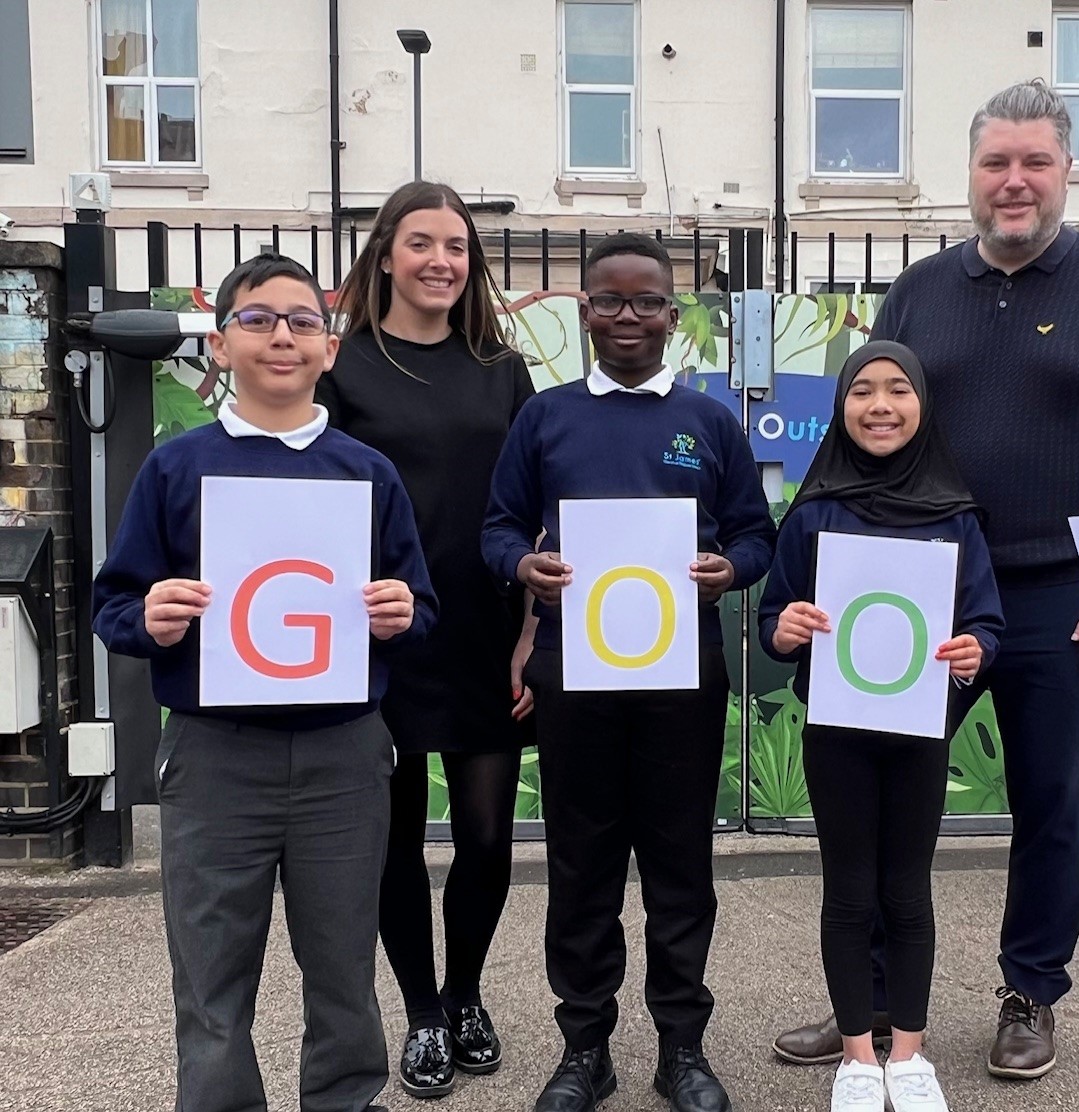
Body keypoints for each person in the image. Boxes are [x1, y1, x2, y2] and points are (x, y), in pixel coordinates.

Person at [774, 78, 1079, 1079]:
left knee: (1050, 796)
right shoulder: (918, 290)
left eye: (1034, 162)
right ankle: (864, 1000)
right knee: (876, 798)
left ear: (1064, 170)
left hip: (1062, 595)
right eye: (994, 162)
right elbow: (876, 427)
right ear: (970, 174)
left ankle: (1029, 989)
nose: (1013, 182)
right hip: (924, 588)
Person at [92, 253, 437, 1112]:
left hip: (345, 756)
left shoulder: (366, 473)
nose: (282, 336)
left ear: (328, 350)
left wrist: (401, 611)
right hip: (215, 758)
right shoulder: (177, 470)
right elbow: (115, 604)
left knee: (344, 975)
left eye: (303, 321)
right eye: (258, 319)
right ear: (222, 346)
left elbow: (419, 606)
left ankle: (343, 1101)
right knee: (210, 980)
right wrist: (153, 615)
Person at [481, 232, 777, 1112]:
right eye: (608, 300)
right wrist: (520, 568)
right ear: (584, 311)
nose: (627, 316)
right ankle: (586, 1049)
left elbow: (756, 532)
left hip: (684, 673)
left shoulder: (708, 422)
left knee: (681, 864)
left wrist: (735, 567)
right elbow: (498, 526)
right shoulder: (545, 417)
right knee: (582, 862)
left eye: (646, 301)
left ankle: (681, 1048)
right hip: (576, 673)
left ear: (673, 316)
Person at [317, 181, 536, 1099]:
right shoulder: (344, 368)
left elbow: (534, 508)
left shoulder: (503, 367)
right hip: (388, 631)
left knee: (487, 835)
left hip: (487, 626)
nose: (441, 260)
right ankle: (421, 1014)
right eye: (421, 243)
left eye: (456, 245)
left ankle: (468, 991)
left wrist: (534, 628)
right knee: (394, 839)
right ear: (385, 255)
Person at [759, 342, 1005, 1112]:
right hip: (837, 737)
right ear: (841, 409)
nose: (880, 405)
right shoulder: (816, 510)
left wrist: (975, 650)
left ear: (923, 405)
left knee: (907, 891)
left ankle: (910, 1054)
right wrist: (788, 627)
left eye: (898, 390)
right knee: (848, 892)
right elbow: (773, 617)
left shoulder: (956, 517)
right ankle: (858, 1056)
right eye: (862, 391)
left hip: (918, 736)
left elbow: (987, 623)